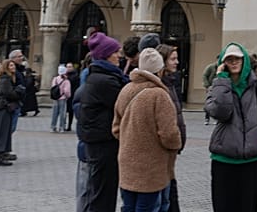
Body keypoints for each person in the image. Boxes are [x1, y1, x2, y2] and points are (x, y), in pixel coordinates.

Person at [207, 42, 257, 212]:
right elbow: (220, 112)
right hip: (223, 160)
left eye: (237, 59)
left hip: (251, 161)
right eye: (229, 59)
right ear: (223, 62)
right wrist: (221, 80)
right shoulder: (218, 86)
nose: (234, 62)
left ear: (244, 61)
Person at [113, 47, 181, 212]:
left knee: (128, 206)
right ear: (160, 70)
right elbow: (169, 134)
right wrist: (175, 145)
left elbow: (115, 129)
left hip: (127, 163)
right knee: (149, 207)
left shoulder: (126, 90)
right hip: (152, 167)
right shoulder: (159, 95)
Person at [77, 33, 130, 212]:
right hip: (103, 142)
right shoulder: (105, 81)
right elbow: (126, 102)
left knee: (100, 189)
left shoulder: (101, 76)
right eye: (116, 52)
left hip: (99, 141)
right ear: (106, 55)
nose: (119, 56)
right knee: (103, 193)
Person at [155, 44, 188, 212]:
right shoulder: (161, 87)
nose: (177, 62)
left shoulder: (171, 83)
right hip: (163, 149)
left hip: (171, 151)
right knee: (165, 197)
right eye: (173, 59)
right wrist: (174, 141)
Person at [51, 64, 74, 133]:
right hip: (63, 98)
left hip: (56, 98)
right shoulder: (66, 81)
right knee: (62, 113)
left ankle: (53, 126)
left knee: (55, 113)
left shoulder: (55, 79)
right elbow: (67, 91)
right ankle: (61, 127)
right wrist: (68, 96)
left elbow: (53, 87)